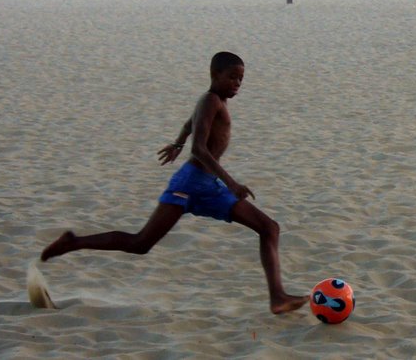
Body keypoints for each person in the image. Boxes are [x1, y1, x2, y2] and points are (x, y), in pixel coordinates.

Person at [40, 51, 308, 315]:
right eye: (232, 78)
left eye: (241, 79)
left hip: (205, 183)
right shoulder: (211, 100)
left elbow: (190, 123)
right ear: (215, 75)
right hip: (191, 182)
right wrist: (231, 183)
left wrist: (177, 142)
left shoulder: (215, 102)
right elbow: (200, 149)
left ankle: (277, 297)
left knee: (269, 228)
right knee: (141, 243)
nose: (237, 84)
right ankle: (72, 242)